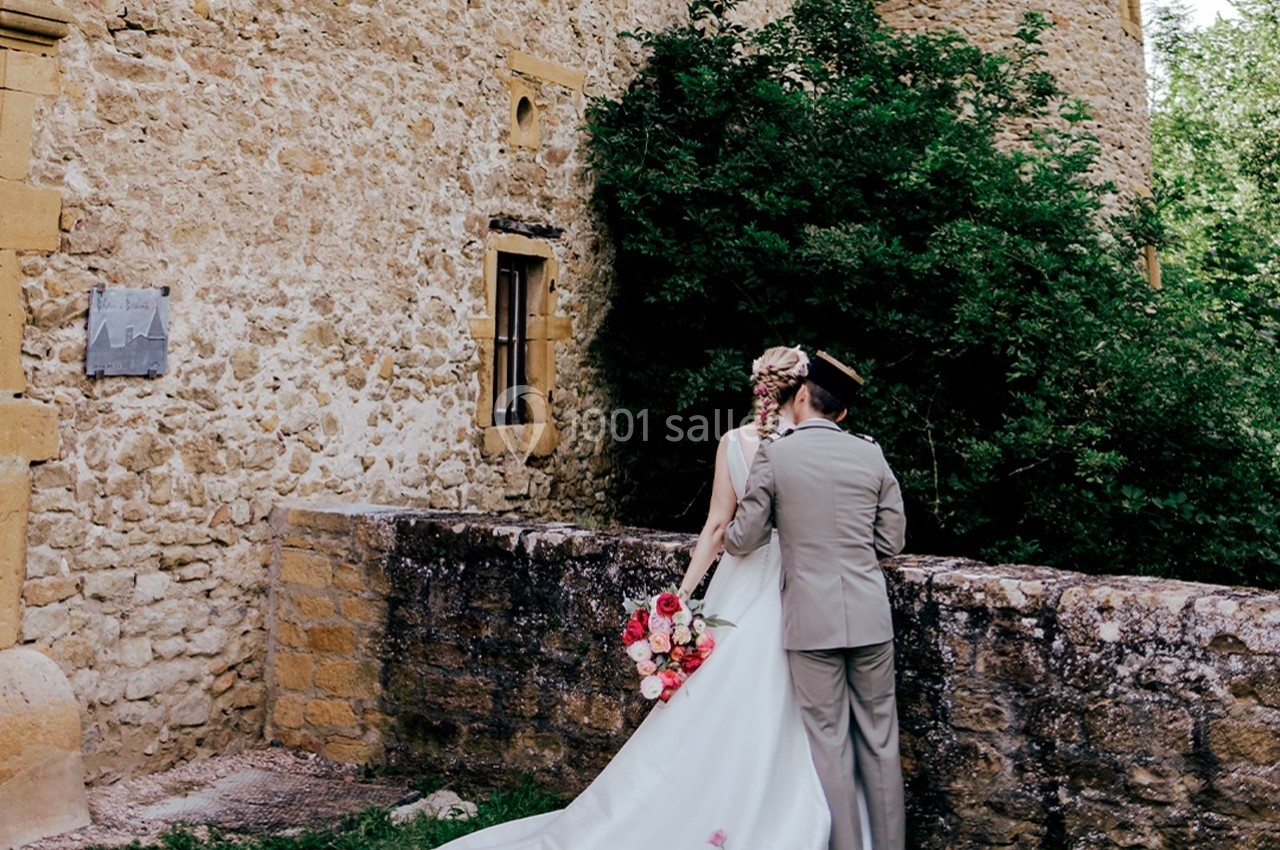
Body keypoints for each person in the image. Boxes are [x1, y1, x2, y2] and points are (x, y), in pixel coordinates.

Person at [429, 345, 869, 849]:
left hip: (737, 584)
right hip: (796, 590)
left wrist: (682, 596)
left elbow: (715, 529)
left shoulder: (733, 442)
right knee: (792, 705)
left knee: (712, 699)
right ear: (805, 393)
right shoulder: (817, 449)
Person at [725, 350, 907, 850]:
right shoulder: (871, 454)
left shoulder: (776, 455)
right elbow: (891, 541)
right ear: (843, 413)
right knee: (881, 739)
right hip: (870, 617)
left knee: (829, 743)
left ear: (801, 396)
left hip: (810, 622)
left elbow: (743, 540)